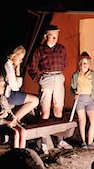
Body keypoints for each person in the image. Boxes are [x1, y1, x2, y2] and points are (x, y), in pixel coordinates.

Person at [27, 24, 73, 153]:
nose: (54, 38)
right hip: (46, 78)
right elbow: (32, 67)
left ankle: (60, 140)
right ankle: (44, 142)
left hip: (58, 77)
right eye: (52, 36)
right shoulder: (40, 50)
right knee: (45, 111)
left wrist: (59, 76)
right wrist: (39, 79)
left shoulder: (61, 49)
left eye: (56, 36)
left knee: (58, 110)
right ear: (46, 36)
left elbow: (65, 63)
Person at [70, 51, 94, 149]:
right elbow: (72, 88)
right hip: (79, 100)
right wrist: (74, 93)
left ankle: (90, 142)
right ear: (79, 64)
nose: (84, 65)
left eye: (86, 63)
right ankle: (83, 142)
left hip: (90, 100)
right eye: (82, 63)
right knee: (82, 120)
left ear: (89, 64)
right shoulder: (76, 75)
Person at [0, 75, 26, 149]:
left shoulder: (3, 97)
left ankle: (22, 151)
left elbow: (8, 110)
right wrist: (5, 122)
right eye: (1, 85)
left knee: (22, 131)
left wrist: (13, 117)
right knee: (16, 133)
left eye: (3, 85)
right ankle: (16, 153)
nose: (3, 87)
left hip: (8, 120)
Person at [3, 45, 39, 124]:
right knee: (35, 100)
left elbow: (19, 85)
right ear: (14, 55)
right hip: (9, 95)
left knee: (33, 98)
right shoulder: (8, 67)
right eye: (20, 59)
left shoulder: (11, 66)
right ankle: (15, 119)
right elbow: (15, 88)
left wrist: (18, 70)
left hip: (12, 93)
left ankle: (16, 118)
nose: (21, 61)